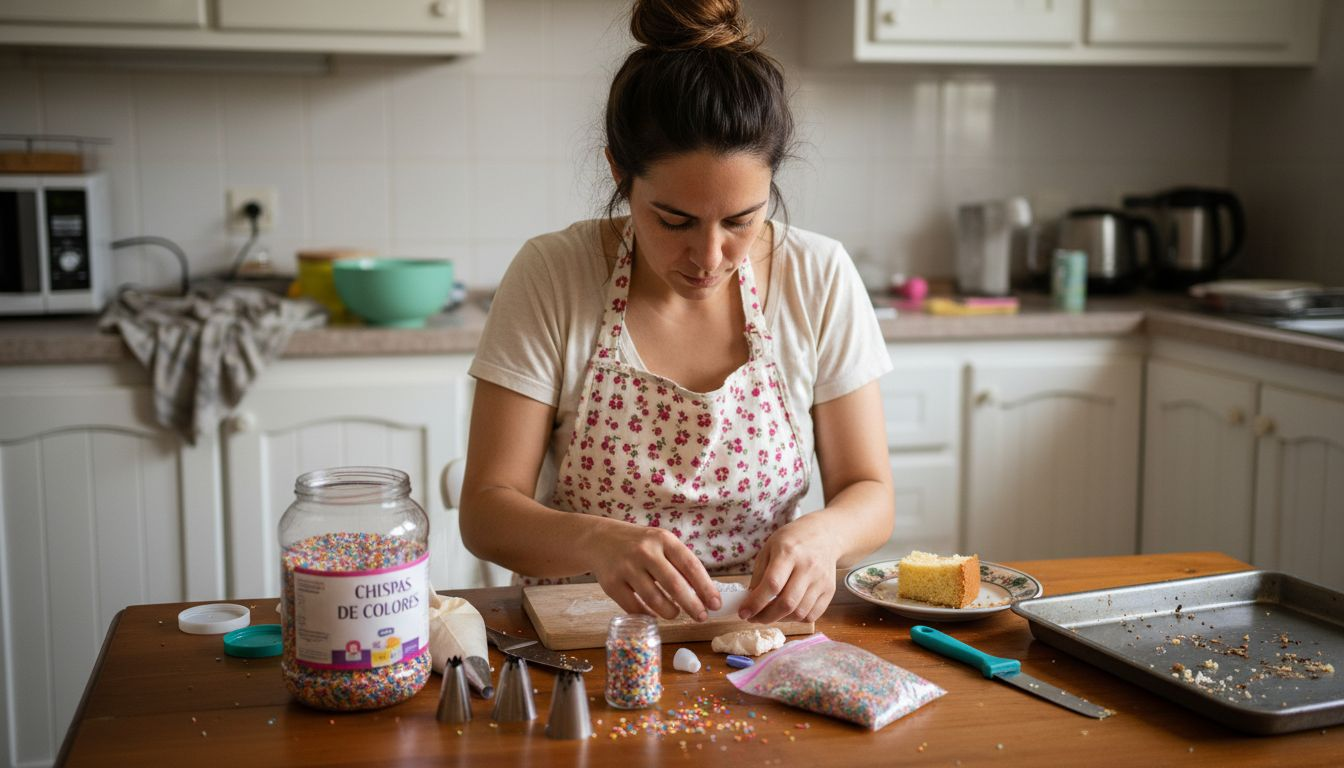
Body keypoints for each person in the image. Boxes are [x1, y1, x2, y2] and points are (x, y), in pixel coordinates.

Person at [460, 0, 894, 626]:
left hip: (759, 637)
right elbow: (486, 510)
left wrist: (825, 536)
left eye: (741, 220)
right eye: (674, 221)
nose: (710, 258)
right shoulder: (554, 273)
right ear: (619, 171)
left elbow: (870, 492)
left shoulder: (817, 274)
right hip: (589, 634)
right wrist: (597, 541)